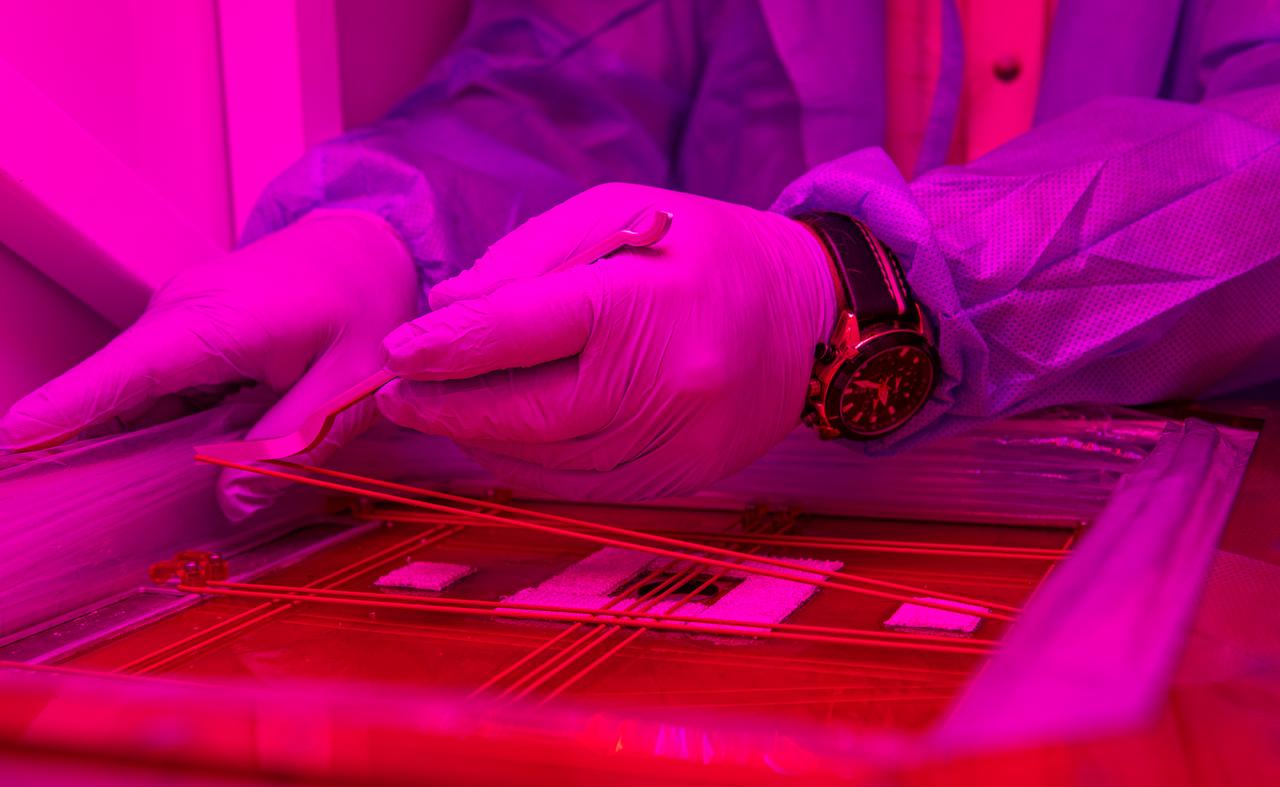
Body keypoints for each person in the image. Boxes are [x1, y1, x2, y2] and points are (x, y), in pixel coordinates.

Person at [3, 0, 1279, 519]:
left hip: (1198, 551)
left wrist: (851, 290)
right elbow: (551, 90)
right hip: (741, 528)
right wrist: (377, 237)